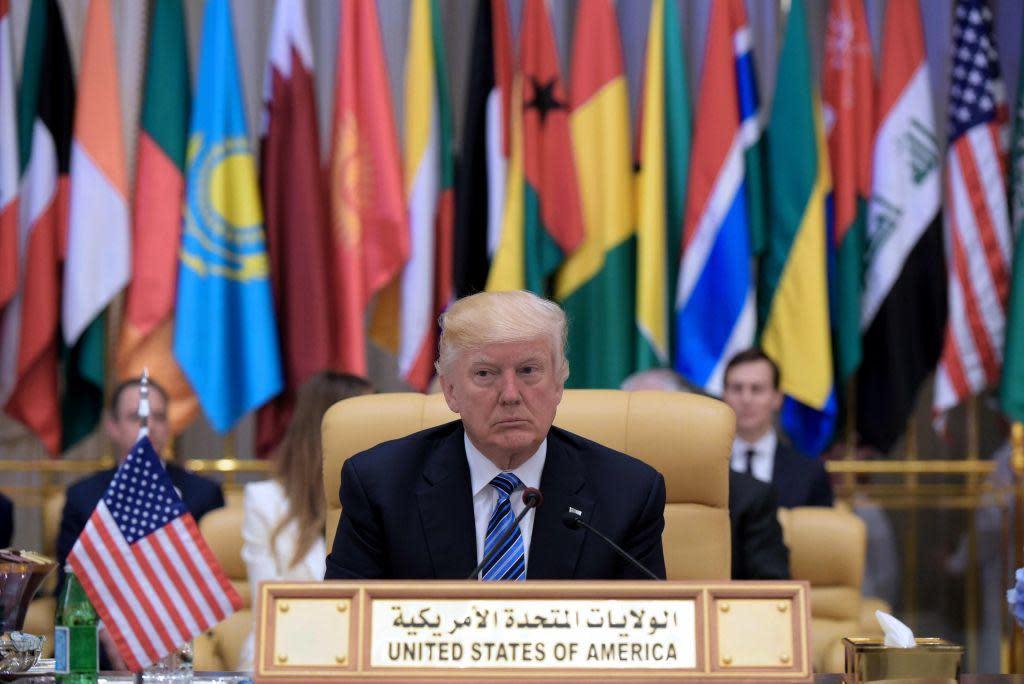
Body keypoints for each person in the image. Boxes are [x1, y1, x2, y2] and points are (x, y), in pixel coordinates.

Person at [325, 290, 667, 581]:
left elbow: (649, 640)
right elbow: (347, 629)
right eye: (485, 374)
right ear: (450, 390)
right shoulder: (380, 486)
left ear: (559, 383)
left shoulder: (627, 493)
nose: (510, 394)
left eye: (528, 371)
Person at [56, 377, 224, 669]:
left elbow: (211, 583)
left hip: (183, 636)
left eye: (158, 417)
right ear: (112, 426)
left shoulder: (203, 494)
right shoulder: (82, 498)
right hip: (105, 642)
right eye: (137, 417)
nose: (149, 428)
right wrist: (110, 634)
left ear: (169, 425)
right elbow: (70, 587)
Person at [238, 372, 374, 671]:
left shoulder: (386, 497)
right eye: (365, 426)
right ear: (325, 433)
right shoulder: (266, 502)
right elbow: (271, 618)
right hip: (286, 662)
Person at [620, 369, 789, 580]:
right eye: (635, 421)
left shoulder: (750, 496)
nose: (647, 432)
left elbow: (772, 591)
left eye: (657, 419)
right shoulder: (606, 491)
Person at [721, 349, 833, 508]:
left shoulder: (810, 473)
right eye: (737, 388)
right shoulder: (704, 470)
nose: (746, 399)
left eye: (757, 389)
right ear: (724, 395)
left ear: (777, 398)